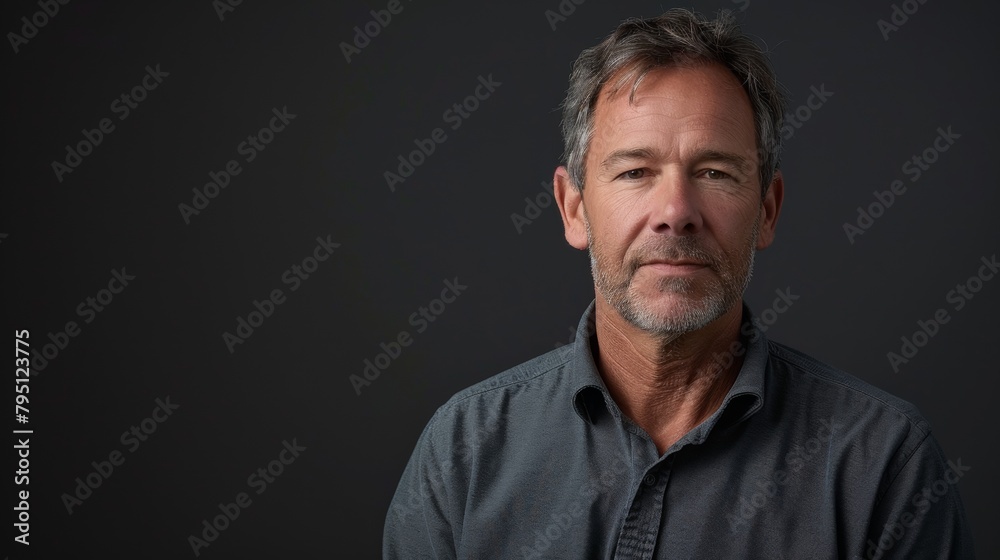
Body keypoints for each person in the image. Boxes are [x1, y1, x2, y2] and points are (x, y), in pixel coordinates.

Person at [383, 8, 974, 559]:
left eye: (714, 172)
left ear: (767, 210)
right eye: (635, 171)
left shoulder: (885, 463)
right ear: (573, 209)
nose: (677, 211)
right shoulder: (462, 450)